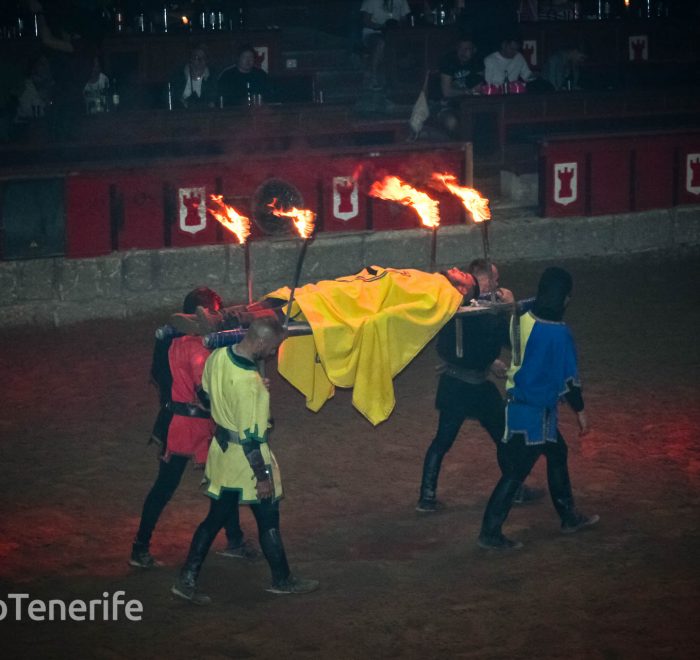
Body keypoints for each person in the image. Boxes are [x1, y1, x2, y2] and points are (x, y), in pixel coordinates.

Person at [171, 317, 319, 603]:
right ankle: (282, 579)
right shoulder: (250, 385)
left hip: (222, 453)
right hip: (245, 463)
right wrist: (262, 477)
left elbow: (204, 393)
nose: (275, 352)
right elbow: (251, 438)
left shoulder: (217, 356)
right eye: (274, 346)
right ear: (261, 342)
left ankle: (187, 578)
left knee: (214, 519)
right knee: (268, 520)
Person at [130, 287, 258, 569]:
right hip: (189, 425)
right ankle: (140, 547)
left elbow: (160, 377)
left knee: (220, 482)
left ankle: (234, 539)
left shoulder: (167, 341)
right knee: (172, 486)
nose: (216, 315)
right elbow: (206, 392)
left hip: (178, 420)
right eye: (213, 310)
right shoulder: (196, 345)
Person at [477, 267, 599, 550]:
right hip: (537, 413)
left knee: (557, 452)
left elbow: (526, 305)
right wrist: (581, 413)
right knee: (517, 471)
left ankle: (568, 516)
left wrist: (507, 300)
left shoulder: (519, 317)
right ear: (565, 299)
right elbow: (570, 382)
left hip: (520, 406)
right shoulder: (559, 335)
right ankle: (489, 532)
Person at [416, 260, 542, 512]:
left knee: (449, 440)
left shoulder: (470, 305)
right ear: (479, 280)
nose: (497, 283)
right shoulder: (467, 307)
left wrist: (489, 360)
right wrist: (509, 308)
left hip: (460, 383)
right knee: (497, 437)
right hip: (466, 387)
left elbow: (472, 344)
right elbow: (509, 339)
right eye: (493, 278)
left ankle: (427, 497)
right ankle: (513, 488)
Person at [437, 35, 484, 135]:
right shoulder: (448, 61)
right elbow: (446, 92)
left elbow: (479, 88)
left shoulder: (477, 62)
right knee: (452, 122)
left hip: (470, 106)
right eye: (460, 48)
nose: (463, 52)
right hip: (447, 106)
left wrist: (470, 92)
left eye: (467, 49)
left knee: (482, 121)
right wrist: (467, 92)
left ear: (474, 50)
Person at [360, 0, 412, 91]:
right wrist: (381, 27)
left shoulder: (401, 1)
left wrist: (396, 26)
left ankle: (399, 79)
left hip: (395, 33)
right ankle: (373, 77)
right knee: (381, 43)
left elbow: (404, 19)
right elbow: (365, 21)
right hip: (374, 32)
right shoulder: (371, 1)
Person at [170, 44, 217, 109]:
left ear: (207, 60)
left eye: (203, 58)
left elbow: (213, 102)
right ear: (191, 59)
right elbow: (174, 100)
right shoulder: (179, 78)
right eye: (197, 57)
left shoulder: (212, 79)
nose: (200, 61)